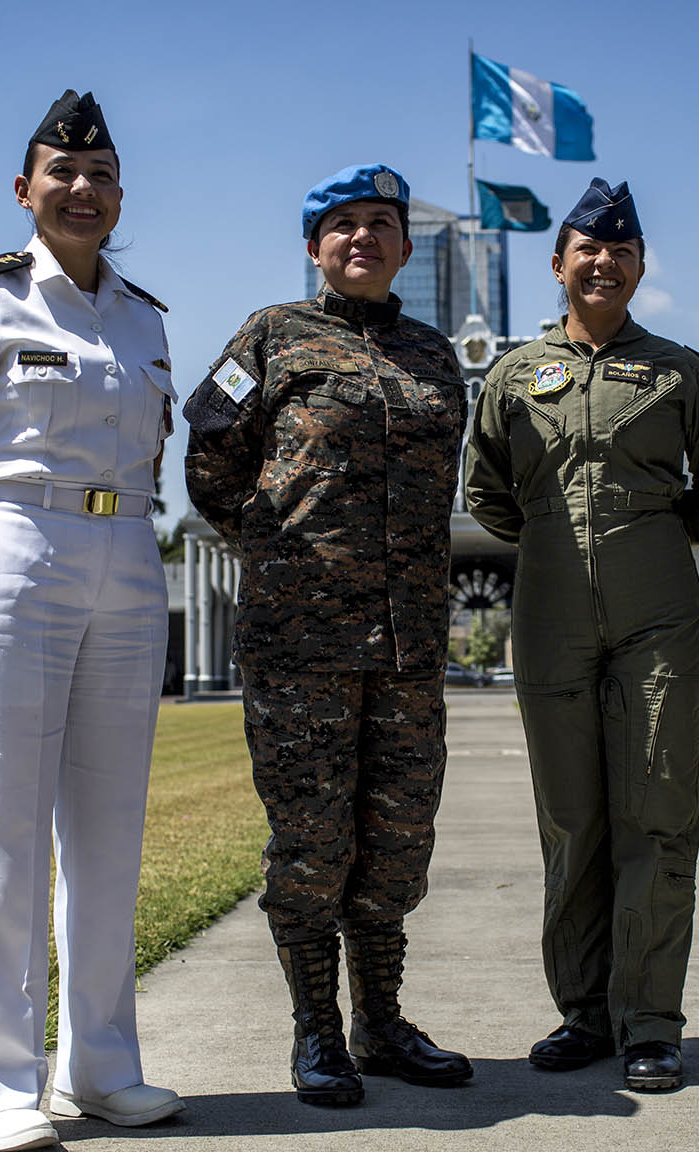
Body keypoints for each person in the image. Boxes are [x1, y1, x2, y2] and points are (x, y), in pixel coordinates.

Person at [0, 90, 182, 1152]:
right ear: (25, 190)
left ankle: (102, 1067)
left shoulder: (145, 317)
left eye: (101, 174)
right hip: (21, 545)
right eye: (63, 172)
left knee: (108, 832)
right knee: (3, 827)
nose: (83, 188)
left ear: (119, 193)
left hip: (132, 556)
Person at [183, 164, 472, 1106]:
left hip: (410, 646)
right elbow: (209, 456)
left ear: (404, 246)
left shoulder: (436, 356)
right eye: (343, 224)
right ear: (315, 245)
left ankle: (381, 1024)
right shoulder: (269, 336)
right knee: (311, 842)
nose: (362, 238)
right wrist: (272, 551)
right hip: (300, 644)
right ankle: (316, 1033)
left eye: (380, 224)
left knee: (396, 839)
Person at [464, 179, 699, 1092]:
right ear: (559, 266)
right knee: (571, 821)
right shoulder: (514, 375)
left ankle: (652, 1022)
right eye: (588, 249)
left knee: (657, 812)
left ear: (639, 267)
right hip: (548, 612)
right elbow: (486, 492)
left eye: (621, 251)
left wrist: (656, 537)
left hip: (657, 613)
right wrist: (559, 534)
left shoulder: (680, 373)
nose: (604, 262)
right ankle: (584, 1013)